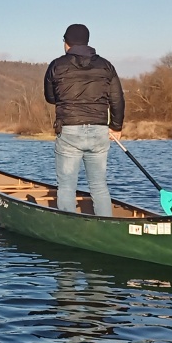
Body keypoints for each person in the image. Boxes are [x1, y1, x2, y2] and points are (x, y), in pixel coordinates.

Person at [44, 23, 124, 215]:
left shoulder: (56, 65)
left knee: (66, 187)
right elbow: (117, 99)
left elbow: (50, 97)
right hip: (99, 131)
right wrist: (116, 126)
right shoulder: (106, 66)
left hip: (69, 130)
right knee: (99, 186)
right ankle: (106, 229)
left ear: (66, 43)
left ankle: (68, 229)